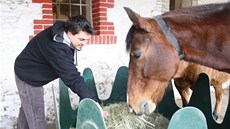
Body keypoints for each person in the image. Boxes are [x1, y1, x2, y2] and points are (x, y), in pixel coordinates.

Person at [14, 15, 98, 129]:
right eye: (81, 39)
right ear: (69, 33)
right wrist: (94, 104)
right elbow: (73, 79)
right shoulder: (57, 47)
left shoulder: (62, 34)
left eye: (87, 39)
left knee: (28, 107)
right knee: (36, 117)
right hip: (28, 76)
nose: (84, 43)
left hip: (30, 70)